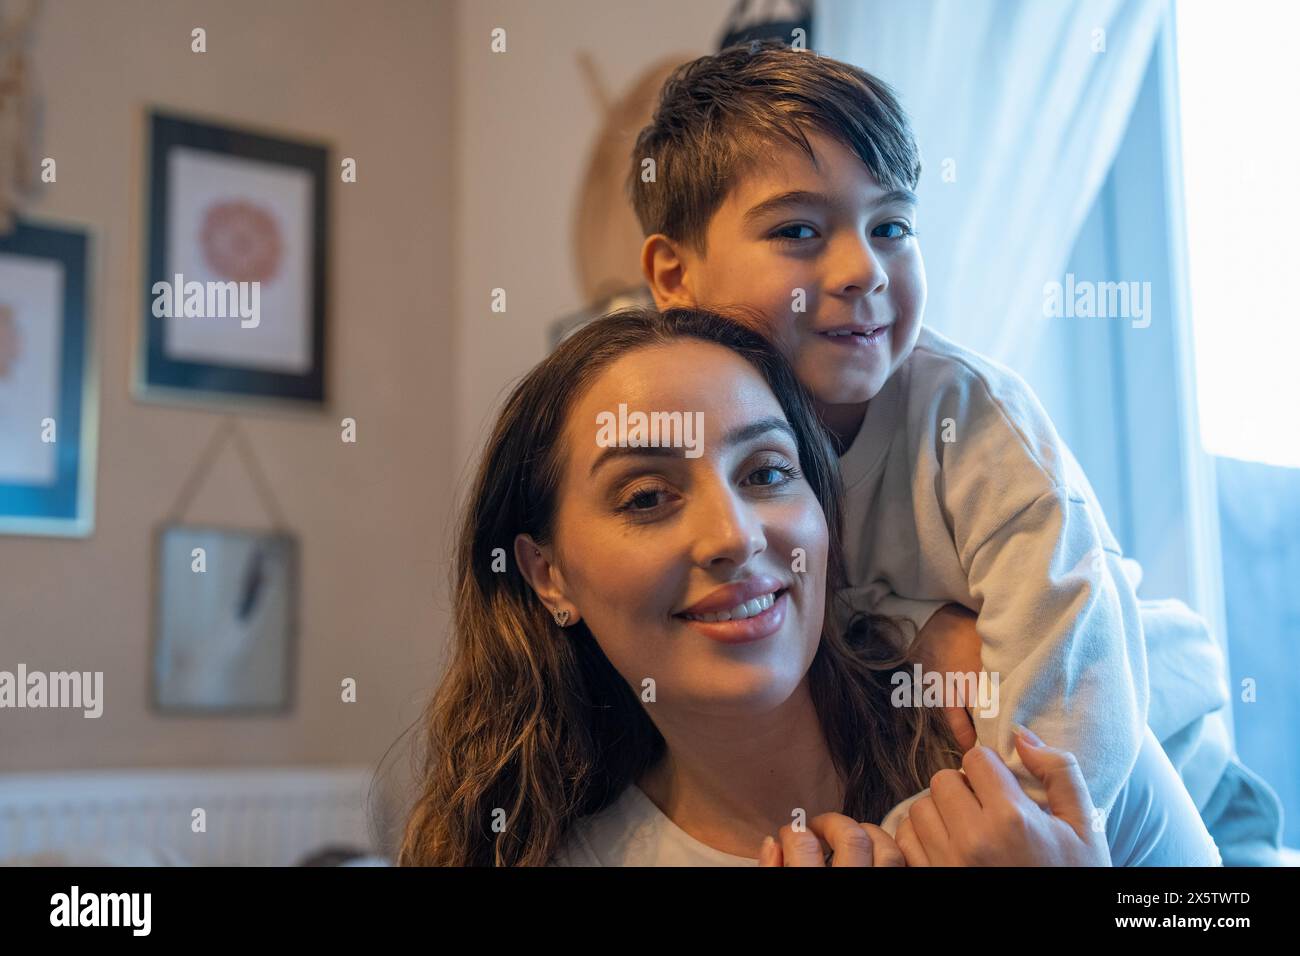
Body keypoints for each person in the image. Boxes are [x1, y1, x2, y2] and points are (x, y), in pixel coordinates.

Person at [629, 40, 1279, 862]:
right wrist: (917, 627)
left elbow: (1072, 693)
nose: (863, 267)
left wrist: (901, 850)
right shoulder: (703, 442)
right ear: (674, 276)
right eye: (798, 230)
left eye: (891, 225)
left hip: (1173, 783)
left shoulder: (971, 420)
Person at [399, 306, 1219, 866]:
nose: (735, 536)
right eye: (647, 498)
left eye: (765, 473)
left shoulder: (1030, 741)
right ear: (548, 575)